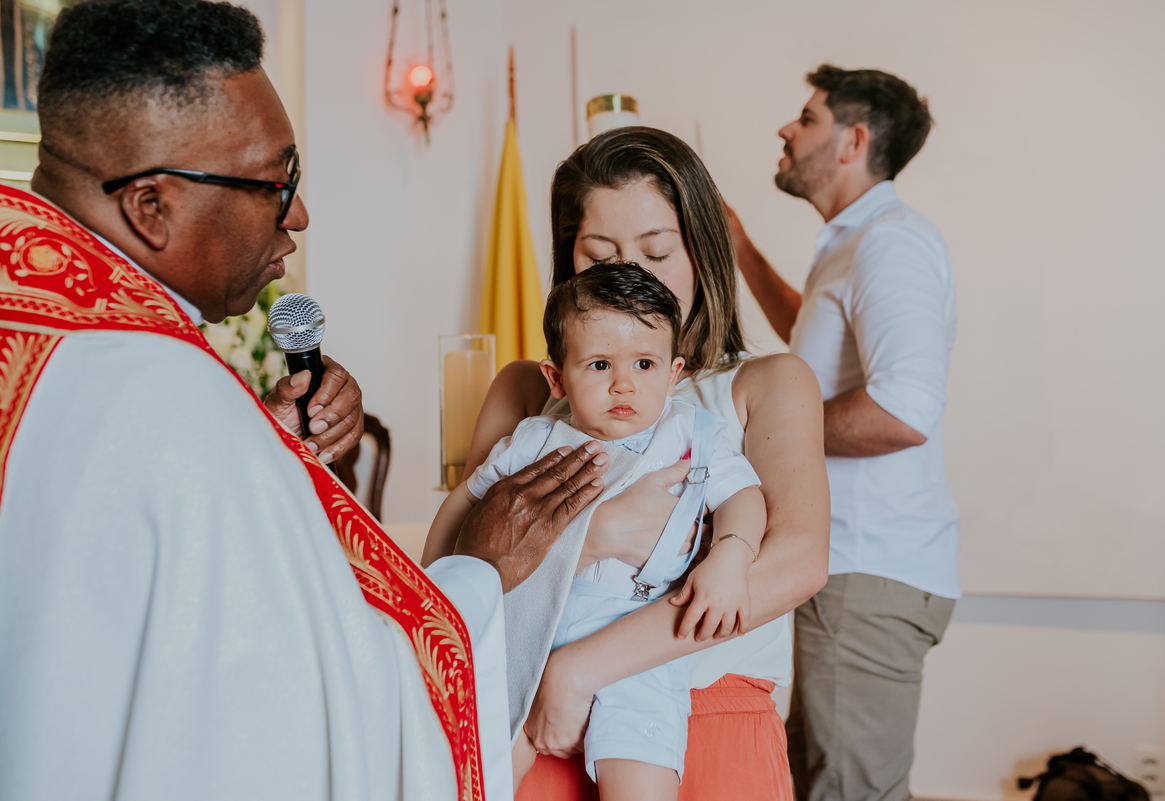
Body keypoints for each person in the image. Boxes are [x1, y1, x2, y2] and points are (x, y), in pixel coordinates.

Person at [0, 2, 609, 800]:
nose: (299, 213)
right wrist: (477, 572)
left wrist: (266, 454)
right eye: (274, 181)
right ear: (151, 206)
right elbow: (295, 727)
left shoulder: (45, 323)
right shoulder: (169, 402)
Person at [468, 126, 830, 801]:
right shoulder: (529, 390)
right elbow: (453, 563)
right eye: (599, 253)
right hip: (538, 718)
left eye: (657, 252)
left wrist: (580, 669)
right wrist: (596, 533)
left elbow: (796, 561)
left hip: (708, 712)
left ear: (702, 253)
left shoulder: (764, 384)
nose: (629, 274)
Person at [425, 263, 767, 799]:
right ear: (557, 377)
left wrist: (731, 554)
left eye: (646, 363)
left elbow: (744, 496)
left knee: (640, 778)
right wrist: (441, 571)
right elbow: (468, 500)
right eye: (601, 363)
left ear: (674, 373)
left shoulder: (691, 434)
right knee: (482, 767)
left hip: (639, 645)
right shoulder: (533, 441)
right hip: (533, 632)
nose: (624, 383)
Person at [726, 65, 959, 801]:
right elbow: (812, 342)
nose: (786, 131)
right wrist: (738, 249)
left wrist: (768, 433)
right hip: (847, 569)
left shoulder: (891, 245)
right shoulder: (852, 246)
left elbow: (902, 411)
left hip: (870, 572)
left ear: (854, 140)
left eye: (807, 116)